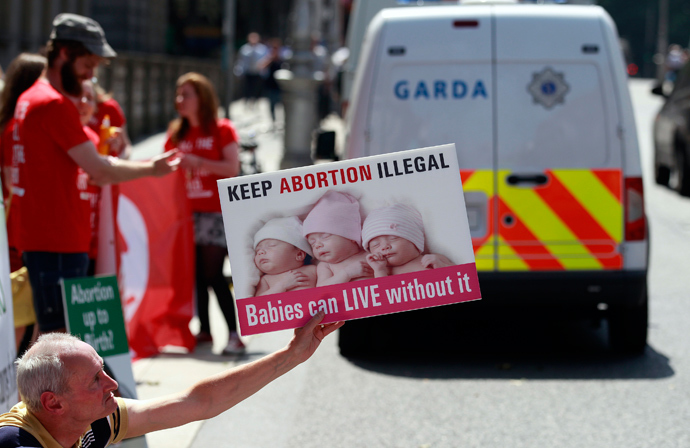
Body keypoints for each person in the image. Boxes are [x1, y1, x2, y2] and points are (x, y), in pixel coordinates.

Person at [12, 13, 178, 336]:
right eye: (88, 64)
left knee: (48, 337)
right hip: (57, 239)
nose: (91, 75)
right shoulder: (53, 104)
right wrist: (153, 168)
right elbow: (100, 171)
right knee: (57, 340)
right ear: (65, 53)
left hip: (47, 236)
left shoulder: (30, 97)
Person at [0, 313, 343, 448]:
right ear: (53, 403)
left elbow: (198, 403)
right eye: (95, 380)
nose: (113, 384)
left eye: (104, 369)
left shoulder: (91, 418)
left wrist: (292, 355)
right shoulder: (15, 444)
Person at [163, 72, 242, 354]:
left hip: (215, 212)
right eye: (178, 94)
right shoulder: (177, 133)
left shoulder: (222, 129)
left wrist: (196, 161)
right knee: (195, 274)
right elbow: (161, 170)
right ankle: (205, 331)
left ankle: (234, 334)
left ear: (202, 98)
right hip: (185, 215)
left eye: (187, 95)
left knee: (212, 274)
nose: (179, 100)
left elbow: (231, 168)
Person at [0, 53, 47, 356]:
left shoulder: (6, 125)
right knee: (28, 312)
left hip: (15, 221)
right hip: (27, 224)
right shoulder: (25, 125)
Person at [302, 190, 373, 286]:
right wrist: (346, 274)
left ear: (350, 236)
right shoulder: (326, 266)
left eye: (325, 237)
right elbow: (321, 289)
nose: (317, 245)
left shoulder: (369, 255)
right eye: (312, 243)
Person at [361, 203, 453, 276]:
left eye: (394, 238)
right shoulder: (384, 272)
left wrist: (441, 267)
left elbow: (461, 278)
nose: (385, 247)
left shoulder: (433, 259)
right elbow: (384, 295)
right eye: (376, 245)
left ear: (414, 240)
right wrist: (379, 271)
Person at [253, 216, 317, 296]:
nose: (261, 252)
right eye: (257, 251)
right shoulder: (266, 280)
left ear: (299, 254)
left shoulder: (313, 270)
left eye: (271, 245)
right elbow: (258, 304)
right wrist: (281, 286)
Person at [87, 79, 131, 159]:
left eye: (89, 97)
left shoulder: (109, 108)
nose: (83, 102)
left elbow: (126, 146)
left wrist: (117, 163)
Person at [234, 32, 268, 111]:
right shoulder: (245, 49)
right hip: (248, 72)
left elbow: (266, 59)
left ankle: (256, 103)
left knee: (257, 89)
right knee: (247, 88)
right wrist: (239, 71)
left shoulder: (262, 49)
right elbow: (241, 61)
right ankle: (247, 102)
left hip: (258, 73)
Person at [257, 38, 284, 129]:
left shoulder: (282, 59)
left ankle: (281, 122)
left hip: (280, 87)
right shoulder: (269, 59)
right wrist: (270, 59)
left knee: (281, 105)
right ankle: (273, 121)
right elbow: (261, 67)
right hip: (271, 85)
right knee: (271, 105)